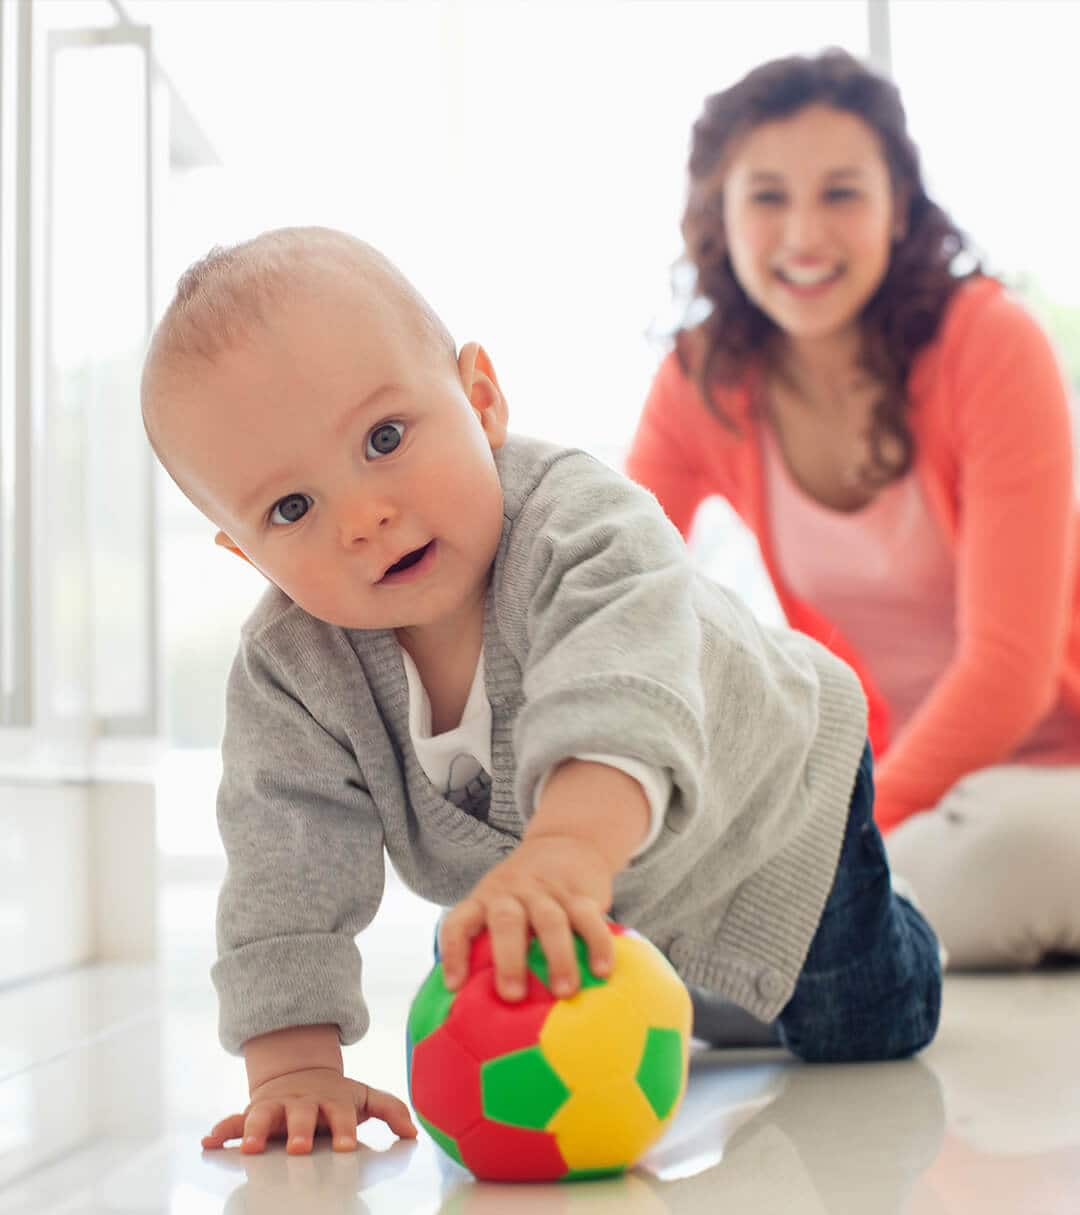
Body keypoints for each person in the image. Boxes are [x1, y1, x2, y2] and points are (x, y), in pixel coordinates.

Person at [140, 225, 940, 1157]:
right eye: (291, 509)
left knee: (862, 1026)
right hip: (587, 872)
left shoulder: (586, 526)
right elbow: (285, 856)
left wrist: (564, 848)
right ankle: (689, 967)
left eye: (385, 438)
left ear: (480, 402)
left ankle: (904, 913)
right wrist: (292, 1064)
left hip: (774, 805)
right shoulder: (293, 668)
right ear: (248, 552)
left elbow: (623, 691)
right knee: (568, 960)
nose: (363, 517)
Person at [626, 48, 1080, 972]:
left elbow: (1011, 672)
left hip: (1045, 783)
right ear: (720, 213)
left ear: (898, 208)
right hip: (922, 793)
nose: (804, 233)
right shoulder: (702, 382)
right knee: (728, 872)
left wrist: (840, 838)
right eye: (766, 197)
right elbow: (610, 591)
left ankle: (775, 962)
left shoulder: (991, 344)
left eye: (841, 193)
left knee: (999, 848)